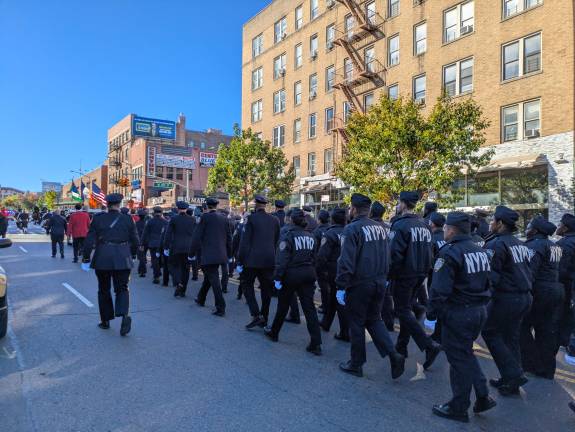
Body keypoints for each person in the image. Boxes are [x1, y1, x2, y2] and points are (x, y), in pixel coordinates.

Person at [428, 212, 496, 423]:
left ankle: (458, 406)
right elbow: (489, 282)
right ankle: (483, 394)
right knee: (465, 353)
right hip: (478, 310)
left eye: (447, 227)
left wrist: (431, 314)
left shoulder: (449, 252)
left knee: (457, 359)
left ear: (451, 229)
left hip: (458, 312)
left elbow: (439, 289)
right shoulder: (481, 251)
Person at [336, 193, 405, 379]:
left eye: (351, 208)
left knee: (357, 323)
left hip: (360, 283)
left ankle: (356, 363)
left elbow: (346, 261)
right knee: (374, 320)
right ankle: (393, 355)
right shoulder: (382, 228)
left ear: (354, 209)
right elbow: (388, 255)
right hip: (380, 281)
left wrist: (341, 285)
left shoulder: (352, 229)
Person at [482, 205, 532, 396]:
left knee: (490, 332)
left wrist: (485, 302)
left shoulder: (496, 244)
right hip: (524, 297)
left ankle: (513, 373)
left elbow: (491, 278)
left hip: (507, 298)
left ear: (501, 224)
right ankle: (509, 379)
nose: (490, 223)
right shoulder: (520, 243)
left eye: (493, 220)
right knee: (510, 337)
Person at [389, 191, 440, 367]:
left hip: (405, 274)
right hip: (420, 273)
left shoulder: (400, 225)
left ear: (403, 204)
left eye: (398, 203)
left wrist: (390, 275)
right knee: (408, 309)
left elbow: (394, 255)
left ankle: (428, 345)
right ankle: (401, 345)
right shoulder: (424, 225)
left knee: (402, 309)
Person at [265, 208, 322, 355]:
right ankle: (316, 342)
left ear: (290, 220)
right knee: (309, 309)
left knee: (283, 306)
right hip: (308, 274)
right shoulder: (311, 236)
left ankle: (274, 332)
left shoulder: (288, 236)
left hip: (292, 275)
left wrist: (277, 277)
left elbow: (282, 260)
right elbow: (315, 258)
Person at [82, 193, 139, 336]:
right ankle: (124, 315)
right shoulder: (128, 219)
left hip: (103, 257)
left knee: (103, 289)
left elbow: (89, 240)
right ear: (119, 204)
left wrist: (85, 257)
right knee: (122, 288)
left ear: (106, 204)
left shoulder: (98, 219)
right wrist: (133, 254)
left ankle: (106, 321)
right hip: (123, 256)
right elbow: (135, 239)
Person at [520, 216, 563, 379]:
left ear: (535, 230)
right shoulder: (554, 246)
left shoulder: (535, 245)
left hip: (540, 291)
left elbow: (529, 273)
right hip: (555, 290)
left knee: (522, 327)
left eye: (529, 226)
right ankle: (547, 369)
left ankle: (531, 363)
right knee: (546, 331)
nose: (526, 229)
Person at [239, 195, 280, 328]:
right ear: (266, 205)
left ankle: (256, 314)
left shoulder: (250, 219)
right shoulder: (275, 220)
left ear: (256, 204)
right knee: (266, 289)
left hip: (252, 259)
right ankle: (265, 317)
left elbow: (244, 242)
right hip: (269, 259)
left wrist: (240, 260)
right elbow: (276, 240)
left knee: (246, 284)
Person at [191, 197, 232, 316]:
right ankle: (201, 298)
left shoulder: (205, 217)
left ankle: (221, 307)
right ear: (216, 206)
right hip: (221, 253)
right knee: (208, 278)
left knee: (214, 280)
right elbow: (229, 238)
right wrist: (229, 254)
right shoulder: (224, 219)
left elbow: (196, 237)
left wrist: (191, 254)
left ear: (207, 206)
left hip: (209, 255)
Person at [318, 208, 349, 341]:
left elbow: (322, 256)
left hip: (333, 271)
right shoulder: (349, 231)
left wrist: (320, 271)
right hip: (347, 270)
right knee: (333, 297)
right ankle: (326, 322)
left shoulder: (330, 233)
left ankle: (345, 332)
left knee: (339, 300)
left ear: (332, 219)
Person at [164, 201, 196, 297]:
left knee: (173, 265)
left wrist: (166, 246)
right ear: (186, 209)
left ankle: (178, 282)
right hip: (188, 247)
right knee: (186, 269)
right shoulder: (192, 219)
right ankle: (183, 290)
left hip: (176, 247)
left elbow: (168, 234)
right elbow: (195, 235)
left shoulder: (174, 219)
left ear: (178, 209)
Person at [556, 214, 575, 363]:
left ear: (566, 228)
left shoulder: (565, 244)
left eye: (560, 224)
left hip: (569, 287)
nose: (558, 226)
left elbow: (561, 271)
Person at [142, 207, 168, 284]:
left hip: (153, 243)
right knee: (161, 259)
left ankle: (156, 275)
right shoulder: (165, 222)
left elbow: (145, 233)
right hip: (162, 243)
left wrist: (142, 243)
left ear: (154, 212)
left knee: (154, 260)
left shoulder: (150, 221)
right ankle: (160, 272)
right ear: (161, 212)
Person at [314, 209, 331, 314]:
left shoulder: (317, 231)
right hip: (333, 263)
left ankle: (325, 306)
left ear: (319, 220)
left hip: (322, 263)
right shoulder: (331, 229)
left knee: (324, 286)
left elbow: (315, 249)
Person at [135, 208, 148, 277]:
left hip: (140, 242)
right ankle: (141, 270)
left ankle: (142, 271)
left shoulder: (136, 224)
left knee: (141, 257)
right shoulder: (147, 223)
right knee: (143, 256)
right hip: (146, 241)